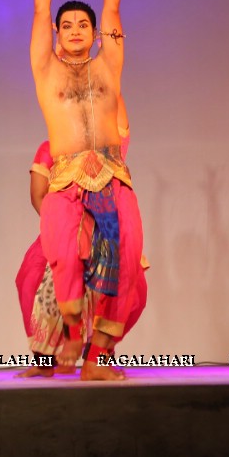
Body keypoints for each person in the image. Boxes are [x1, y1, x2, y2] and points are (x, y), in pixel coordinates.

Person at [30, 0, 144, 381]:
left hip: (113, 176)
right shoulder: (46, 69)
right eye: (68, 25)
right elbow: (40, 12)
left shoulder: (108, 65)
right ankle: (73, 331)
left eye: (84, 25)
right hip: (65, 178)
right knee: (61, 260)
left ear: (96, 35)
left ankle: (96, 359)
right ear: (58, 34)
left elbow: (113, 9)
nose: (75, 29)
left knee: (127, 261)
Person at [16, 98, 146, 377]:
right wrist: (65, 224)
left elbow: (117, 109)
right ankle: (44, 361)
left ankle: (98, 356)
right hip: (64, 225)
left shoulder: (108, 147)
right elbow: (38, 195)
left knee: (128, 286)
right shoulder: (51, 148)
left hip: (106, 225)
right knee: (33, 280)